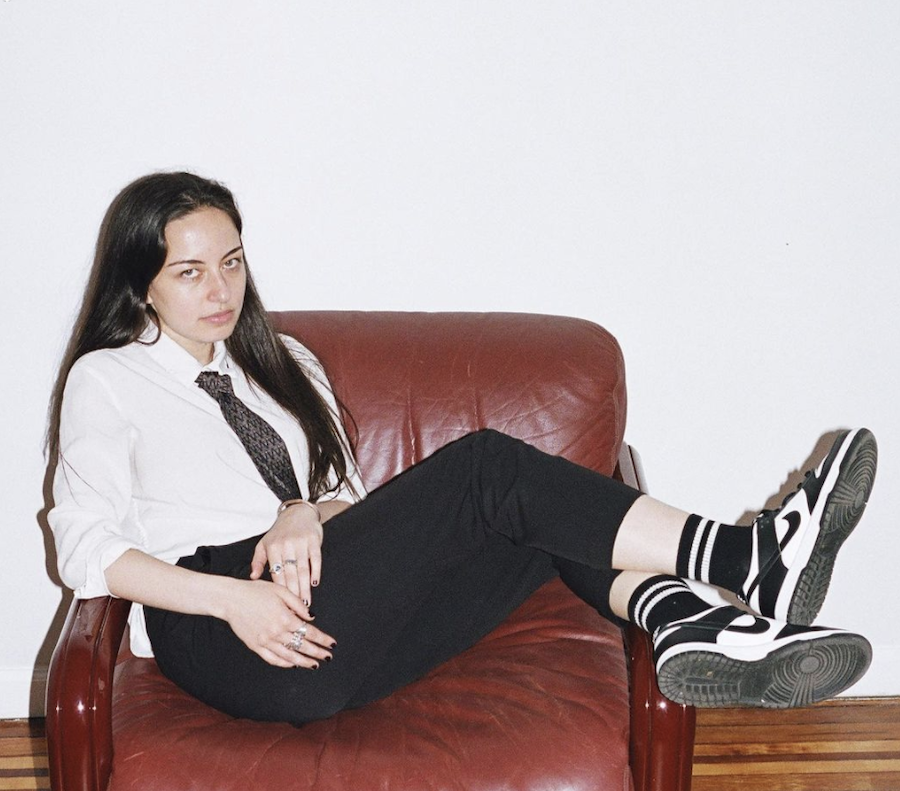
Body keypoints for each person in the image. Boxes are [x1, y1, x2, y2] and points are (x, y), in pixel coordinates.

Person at [47, 171, 877, 725]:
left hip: (329, 622)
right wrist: (234, 600)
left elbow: (346, 498)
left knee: (546, 518)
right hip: (223, 623)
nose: (221, 288)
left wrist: (303, 510)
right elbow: (87, 550)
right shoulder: (108, 379)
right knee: (487, 469)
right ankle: (743, 558)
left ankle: (686, 620)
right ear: (141, 283)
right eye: (190, 271)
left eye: (231, 262)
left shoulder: (285, 361)